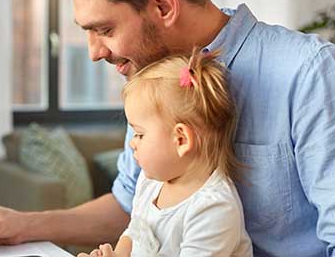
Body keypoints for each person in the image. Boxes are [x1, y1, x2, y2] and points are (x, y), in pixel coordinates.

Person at [0, 0, 335, 256]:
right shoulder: (155, 81)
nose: (94, 51)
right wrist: (24, 225)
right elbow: (129, 205)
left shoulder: (313, 74)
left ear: (162, 4)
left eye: (103, 29)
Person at [80, 48, 253, 257]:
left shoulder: (213, 209)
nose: (132, 144)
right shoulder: (150, 182)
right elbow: (134, 233)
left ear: (181, 140)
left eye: (140, 134)